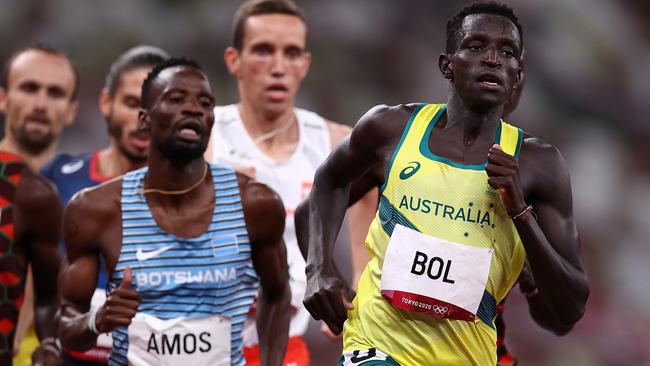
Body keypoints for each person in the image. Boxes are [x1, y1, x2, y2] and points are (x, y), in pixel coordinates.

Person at [302, 3, 590, 365]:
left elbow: (569, 311)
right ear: (447, 65)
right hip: (377, 344)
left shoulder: (540, 165)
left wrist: (519, 210)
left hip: (468, 354)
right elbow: (328, 182)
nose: (492, 59)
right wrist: (319, 270)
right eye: (475, 47)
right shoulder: (389, 129)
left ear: (518, 74)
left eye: (507, 52)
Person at [57, 58, 290, 366]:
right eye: (176, 99)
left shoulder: (255, 204)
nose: (194, 109)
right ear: (144, 119)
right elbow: (66, 324)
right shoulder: (95, 210)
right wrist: (97, 321)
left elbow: (277, 294)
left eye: (204, 103)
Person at [205, 0, 377, 364]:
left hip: (284, 349)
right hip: (204, 345)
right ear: (234, 60)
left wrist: (360, 280)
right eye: (264, 51)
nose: (278, 67)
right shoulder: (206, 139)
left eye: (292, 53)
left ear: (305, 64)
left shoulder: (332, 142)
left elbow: (368, 188)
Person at [41, 45, 169, 365]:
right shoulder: (57, 179)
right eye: (131, 103)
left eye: (158, 105)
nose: (143, 118)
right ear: (106, 102)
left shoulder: (194, 200)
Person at [0, 44, 79, 366]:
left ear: (72, 110)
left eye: (56, 93)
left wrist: (50, 345)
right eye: (29, 88)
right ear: (3, 98)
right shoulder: (14, 183)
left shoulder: (89, 193)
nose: (41, 103)